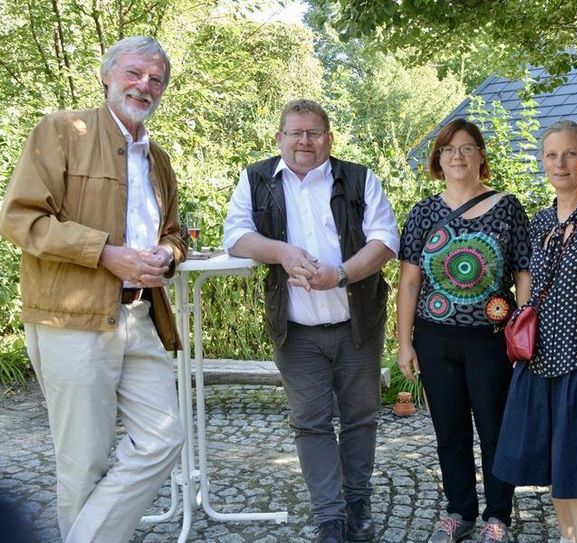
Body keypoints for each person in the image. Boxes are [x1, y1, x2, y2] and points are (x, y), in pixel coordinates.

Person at [0, 36, 185, 543]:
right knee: (83, 461)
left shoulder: (158, 158)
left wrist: (168, 256)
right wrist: (105, 253)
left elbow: (172, 233)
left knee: (164, 437)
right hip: (71, 319)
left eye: (156, 79)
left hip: (141, 315)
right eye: (134, 73)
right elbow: (20, 219)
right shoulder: (61, 131)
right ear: (107, 75)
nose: (144, 85)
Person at [223, 99, 399, 543]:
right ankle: (330, 518)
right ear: (280, 137)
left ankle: (357, 503)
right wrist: (281, 253)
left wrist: (339, 274)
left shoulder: (359, 178)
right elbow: (236, 236)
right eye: (295, 132)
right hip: (295, 330)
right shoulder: (256, 178)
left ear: (329, 138)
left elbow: (385, 240)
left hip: (357, 322)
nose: (304, 141)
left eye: (314, 133)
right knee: (310, 422)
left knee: (360, 417)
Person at [493, 120, 577, 543]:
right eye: (551, 155)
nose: (561, 163)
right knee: (555, 467)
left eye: (570, 153)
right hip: (539, 360)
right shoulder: (539, 222)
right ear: (542, 162)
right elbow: (530, 288)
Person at [396, 118, 531, 543]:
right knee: (449, 432)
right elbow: (410, 281)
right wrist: (404, 342)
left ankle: (498, 517)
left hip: (491, 342)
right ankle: (459, 511)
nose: (457, 155)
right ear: (438, 158)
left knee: (494, 430)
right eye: (449, 149)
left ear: (481, 156)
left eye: (467, 147)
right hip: (435, 339)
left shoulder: (507, 207)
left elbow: (524, 272)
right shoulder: (423, 212)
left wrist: (523, 323)